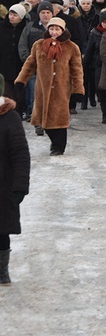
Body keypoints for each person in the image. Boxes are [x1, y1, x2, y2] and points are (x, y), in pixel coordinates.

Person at [14, 17, 85, 155]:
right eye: (51, 29)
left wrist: (78, 90)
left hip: (61, 89)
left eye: (57, 29)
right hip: (42, 89)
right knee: (43, 119)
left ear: (63, 30)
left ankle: (59, 146)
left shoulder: (71, 47)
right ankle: (54, 141)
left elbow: (77, 70)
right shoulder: (39, 45)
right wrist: (21, 80)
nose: (54, 32)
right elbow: (30, 64)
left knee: (59, 120)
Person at [0, 74, 31, 286]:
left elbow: (21, 154)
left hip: (3, 186)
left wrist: (20, 186)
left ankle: (2, 271)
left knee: (1, 231)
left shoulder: (10, 118)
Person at [83, 9, 106, 124]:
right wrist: (85, 65)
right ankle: (105, 114)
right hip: (99, 67)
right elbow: (89, 51)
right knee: (102, 92)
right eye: (104, 21)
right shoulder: (95, 33)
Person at [0, 4, 28, 96]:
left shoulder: (26, 28)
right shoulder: (2, 27)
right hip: (4, 64)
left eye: (15, 15)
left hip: (20, 64)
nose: (11, 17)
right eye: (10, 14)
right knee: (6, 92)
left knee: (19, 94)